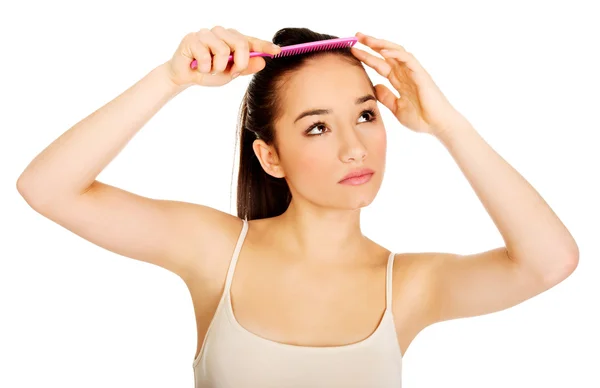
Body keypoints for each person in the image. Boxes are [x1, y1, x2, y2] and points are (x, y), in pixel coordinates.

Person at [16, 26, 579, 387]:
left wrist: (450, 126)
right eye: (316, 127)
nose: (354, 147)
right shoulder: (216, 252)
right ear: (271, 156)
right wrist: (170, 79)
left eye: (365, 115)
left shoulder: (407, 285)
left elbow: (549, 262)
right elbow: (48, 188)